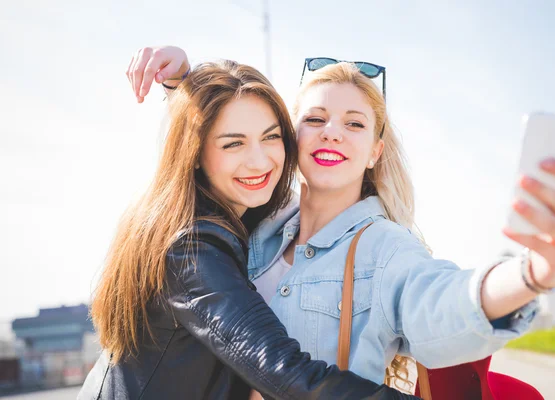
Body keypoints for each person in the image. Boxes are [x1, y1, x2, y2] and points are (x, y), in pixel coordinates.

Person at [130, 46, 555, 396]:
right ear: (292, 137)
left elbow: (443, 301)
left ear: (375, 151)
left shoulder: (386, 249)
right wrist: (183, 87)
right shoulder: (255, 222)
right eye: (316, 118)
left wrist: (533, 273)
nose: (332, 130)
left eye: (355, 124)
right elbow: (210, 162)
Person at [79, 59, 417, 399]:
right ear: (194, 152)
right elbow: (288, 374)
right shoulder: (192, 248)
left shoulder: (242, 217)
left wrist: (180, 84)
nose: (258, 161)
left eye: (270, 137)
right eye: (233, 144)